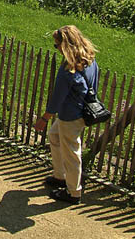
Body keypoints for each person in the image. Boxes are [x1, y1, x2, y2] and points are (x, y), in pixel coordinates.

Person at [33, 25, 100, 205]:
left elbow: (57, 99)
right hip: (81, 112)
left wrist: (44, 119)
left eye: (57, 45)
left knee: (72, 154)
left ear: (65, 45)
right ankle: (60, 175)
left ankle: (73, 192)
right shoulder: (91, 60)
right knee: (54, 136)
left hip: (70, 116)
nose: (57, 49)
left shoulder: (67, 70)